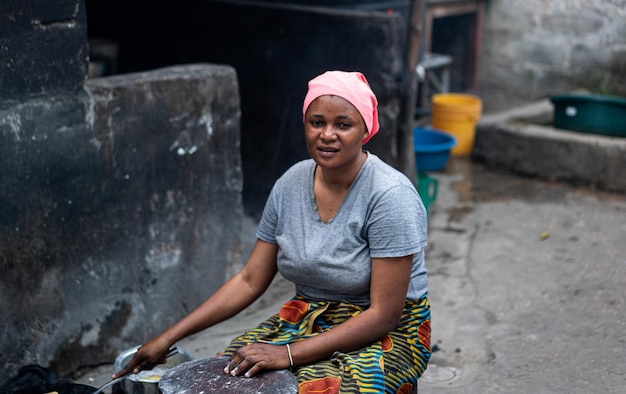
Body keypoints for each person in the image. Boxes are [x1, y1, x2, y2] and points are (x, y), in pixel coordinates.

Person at [113, 70, 431, 393]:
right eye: (317, 122)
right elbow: (250, 279)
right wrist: (168, 337)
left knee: (313, 389)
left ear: (366, 129)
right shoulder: (290, 184)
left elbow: (384, 314)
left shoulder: (389, 196)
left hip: (387, 333)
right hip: (307, 318)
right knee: (224, 376)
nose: (327, 135)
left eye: (343, 124)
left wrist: (287, 354)